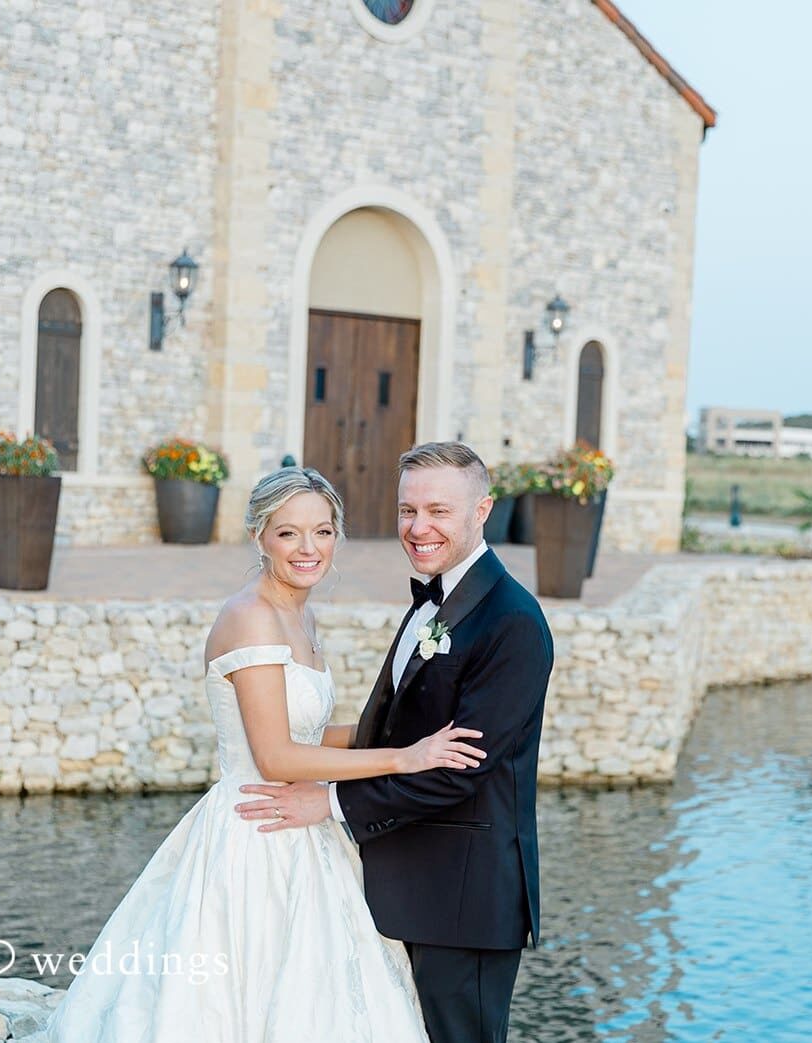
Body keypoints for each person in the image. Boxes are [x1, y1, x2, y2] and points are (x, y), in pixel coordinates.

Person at [43, 466, 484, 1043]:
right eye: (289, 533)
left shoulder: (299, 612)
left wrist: (400, 737)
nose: (309, 549)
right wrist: (405, 761)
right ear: (259, 537)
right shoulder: (250, 617)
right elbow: (276, 756)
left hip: (306, 824)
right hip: (256, 829)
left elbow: (309, 731)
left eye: (323, 532)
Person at [236, 442, 555, 1043]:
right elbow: (392, 733)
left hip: (463, 903)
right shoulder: (435, 602)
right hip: (404, 883)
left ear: (482, 510)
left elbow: (459, 770)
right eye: (408, 511)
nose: (418, 527)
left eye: (438, 511)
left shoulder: (511, 620)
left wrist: (329, 801)